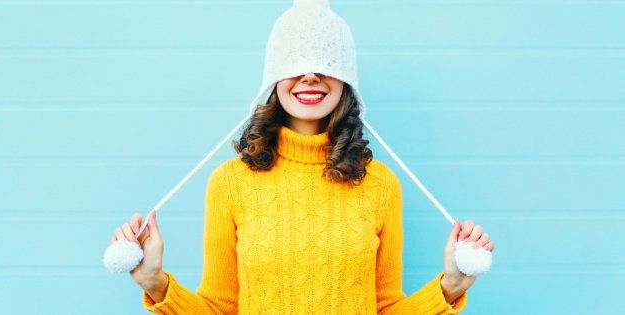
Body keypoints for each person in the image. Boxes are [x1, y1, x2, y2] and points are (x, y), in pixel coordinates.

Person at [110, 1, 495, 314]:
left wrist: (451, 287)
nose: (310, 76)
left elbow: (386, 307)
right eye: (294, 64)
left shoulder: (380, 184)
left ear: (345, 80)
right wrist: (154, 283)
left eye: (326, 64)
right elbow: (220, 308)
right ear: (273, 79)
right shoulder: (231, 182)